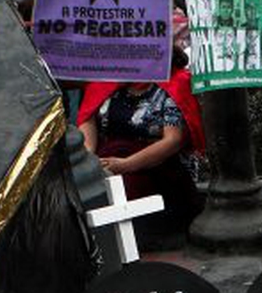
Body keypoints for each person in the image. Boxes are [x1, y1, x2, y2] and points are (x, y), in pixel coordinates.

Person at [77, 51, 206, 246]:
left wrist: (126, 165)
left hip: (157, 167)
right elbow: (88, 119)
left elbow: (173, 140)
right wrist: (89, 160)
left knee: (127, 186)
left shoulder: (174, 84)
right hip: (109, 162)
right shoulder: (106, 82)